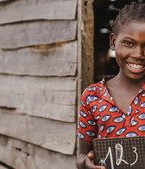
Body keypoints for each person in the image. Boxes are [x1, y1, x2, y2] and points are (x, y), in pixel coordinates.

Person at [76, 2, 145, 169]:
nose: (138, 54)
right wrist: (86, 163)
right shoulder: (92, 96)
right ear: (113, 42)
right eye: (129, 43)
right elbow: (82, 154)